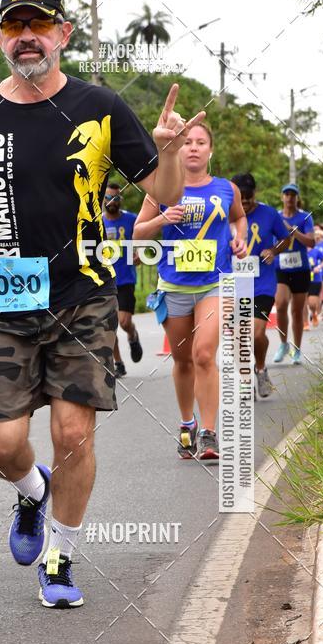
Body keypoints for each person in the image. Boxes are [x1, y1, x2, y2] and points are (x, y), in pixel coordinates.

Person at [0, 0, 202, 607]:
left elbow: (166, 193)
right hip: (1, 301)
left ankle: (60, 557)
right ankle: (31, 492)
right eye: (15, 26)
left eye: (39, 25)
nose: (27, 38)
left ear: (63, 35)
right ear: (0, 36)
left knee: (74, 434)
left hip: (83, 295)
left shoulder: (100, 107)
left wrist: (171, 149)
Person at [134, 122, 247, 460]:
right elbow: (138, 233)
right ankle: (188, 424)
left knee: (203, 354)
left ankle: (210, 432)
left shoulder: (227, 189)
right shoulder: (161, 190)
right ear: (178, 150)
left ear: (211, 150)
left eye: (201, 142)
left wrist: (240, 238)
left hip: (215, 283)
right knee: (183, 360)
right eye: (187, 142)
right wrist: (161, 221)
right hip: (174, 284)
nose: (194, 147)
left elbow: (238, 218)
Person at [231, 173, 290, 398]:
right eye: (240, 198)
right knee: (238, 335)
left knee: (256, 333)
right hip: (234, 284)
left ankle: (261, 368)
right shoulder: (224, 215)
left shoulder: (268, 213)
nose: (244, 202)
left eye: (248, 197)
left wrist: (273, 250)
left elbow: (286, 237)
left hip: (262, 283)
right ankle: (245, 379)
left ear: (254, 193)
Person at [102, 182, 142, 377]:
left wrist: (140, 254)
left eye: (115, 198)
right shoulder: (97, 222)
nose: (112, 201)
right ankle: (118, 363)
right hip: (105, 281)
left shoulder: (131, 220)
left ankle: (133, 336)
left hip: (125, 279)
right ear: (103, 199)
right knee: (109, 325)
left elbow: (143, 238)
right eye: (108, 198)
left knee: (124, 322)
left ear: (120, 199)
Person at [273, 183, 314, 364]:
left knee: (297, 311)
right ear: (282, 197)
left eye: (293, 194)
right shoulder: (275, 216)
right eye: (286, 194)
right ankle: (283, 344)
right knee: (281, 305)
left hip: (301, 270)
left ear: (297, 197)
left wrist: (293, 231)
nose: (290, 198)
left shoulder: (305, 217)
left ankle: (296, 350)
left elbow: (311, 242)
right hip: (280, 268)